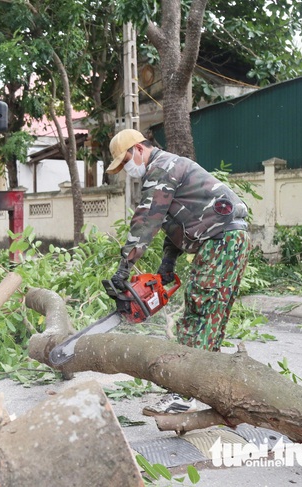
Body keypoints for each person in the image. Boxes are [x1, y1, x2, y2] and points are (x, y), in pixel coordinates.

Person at [107, 129, 251, 415]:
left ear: (138, 149)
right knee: (211, 318)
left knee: (197, 315)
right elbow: (172, 222)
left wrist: (125, 267)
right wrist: (167, 263)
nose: (126, 170)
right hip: (228, 241)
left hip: (221, 242)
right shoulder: (170, 167)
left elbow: (146, 220)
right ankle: (206, 389)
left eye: (125, 162)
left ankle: (182, 395)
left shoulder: (161, 168)